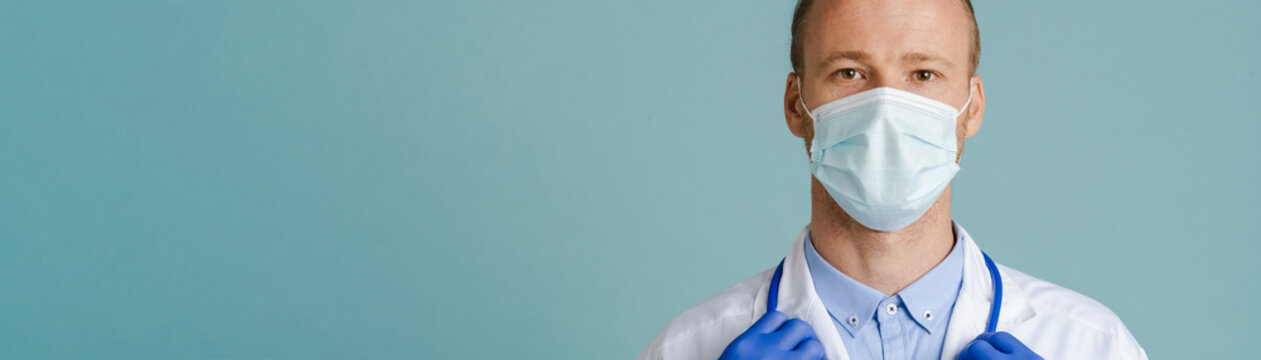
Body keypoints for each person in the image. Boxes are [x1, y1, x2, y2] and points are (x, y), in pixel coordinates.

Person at [639, 0, 1148, 359]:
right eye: (849, 73)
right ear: (797, 105)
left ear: (971, 109)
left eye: (923, 75)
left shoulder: (1093, 345)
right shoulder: (686, 350)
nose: (886, 107)